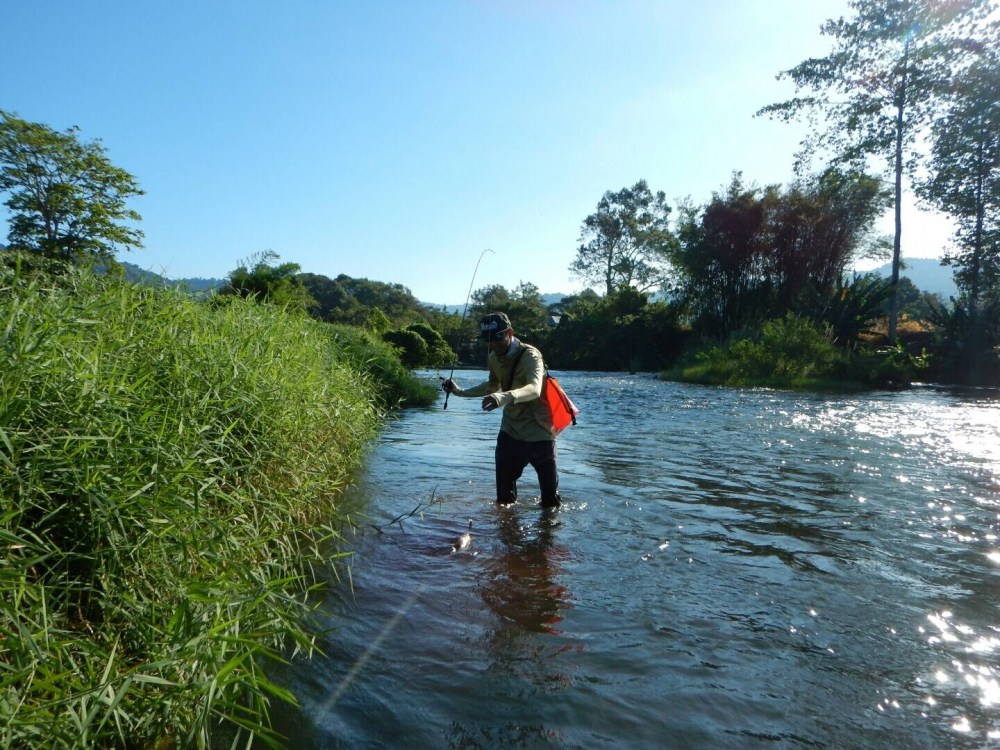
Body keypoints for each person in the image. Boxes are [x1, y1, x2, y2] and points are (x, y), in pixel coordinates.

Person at [443, 312, 561, 508]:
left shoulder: (531, 355)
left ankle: (547, 537)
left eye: (498, 337)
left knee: (551, 504)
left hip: (540, 434)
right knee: (504, 502)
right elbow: (492, 386)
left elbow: (534, 388)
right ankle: (505, 536)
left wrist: (503, 397)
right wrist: (459, 392)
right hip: (510, 433)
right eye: (489, 340)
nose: (494, 344)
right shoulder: (494, 358)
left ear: (510, 333)